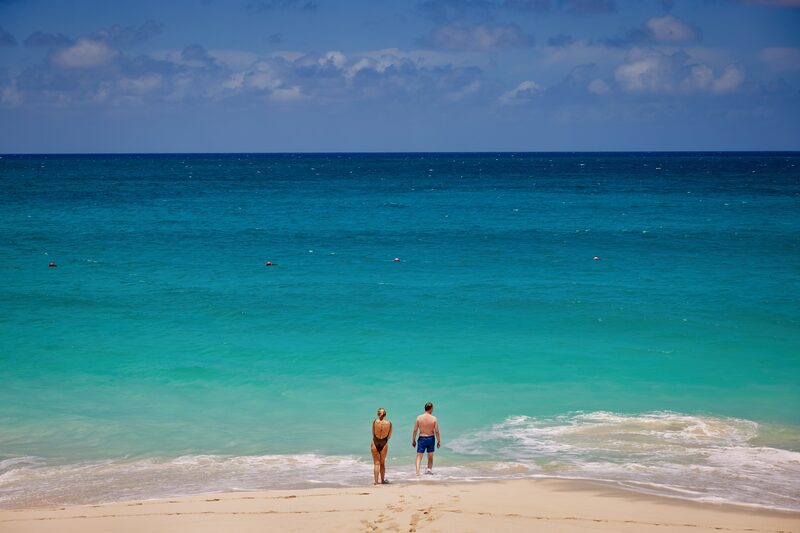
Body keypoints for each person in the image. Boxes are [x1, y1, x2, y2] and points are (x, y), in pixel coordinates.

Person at [411, 402, 440, 475]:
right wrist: (438, 441)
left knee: (419, 456)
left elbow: (415, 430)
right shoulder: (434, 418)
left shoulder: (419, 417)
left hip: (422, 438)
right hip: (430, 438)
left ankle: (417, 472)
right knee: (430, 456)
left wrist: (413, 440)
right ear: (431, 409)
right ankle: (429, 470)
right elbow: (436, 431)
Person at [371, 407, 392, 485]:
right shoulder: (389, 423)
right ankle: (382, 480)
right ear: (385, 414)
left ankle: (376, 482)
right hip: (384, 442)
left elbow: (373, 433)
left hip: (375, 442)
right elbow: (389, 436)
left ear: (378, 414)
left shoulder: (374, 422)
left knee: (376, 463)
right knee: (382, 463)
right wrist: (384, 440)